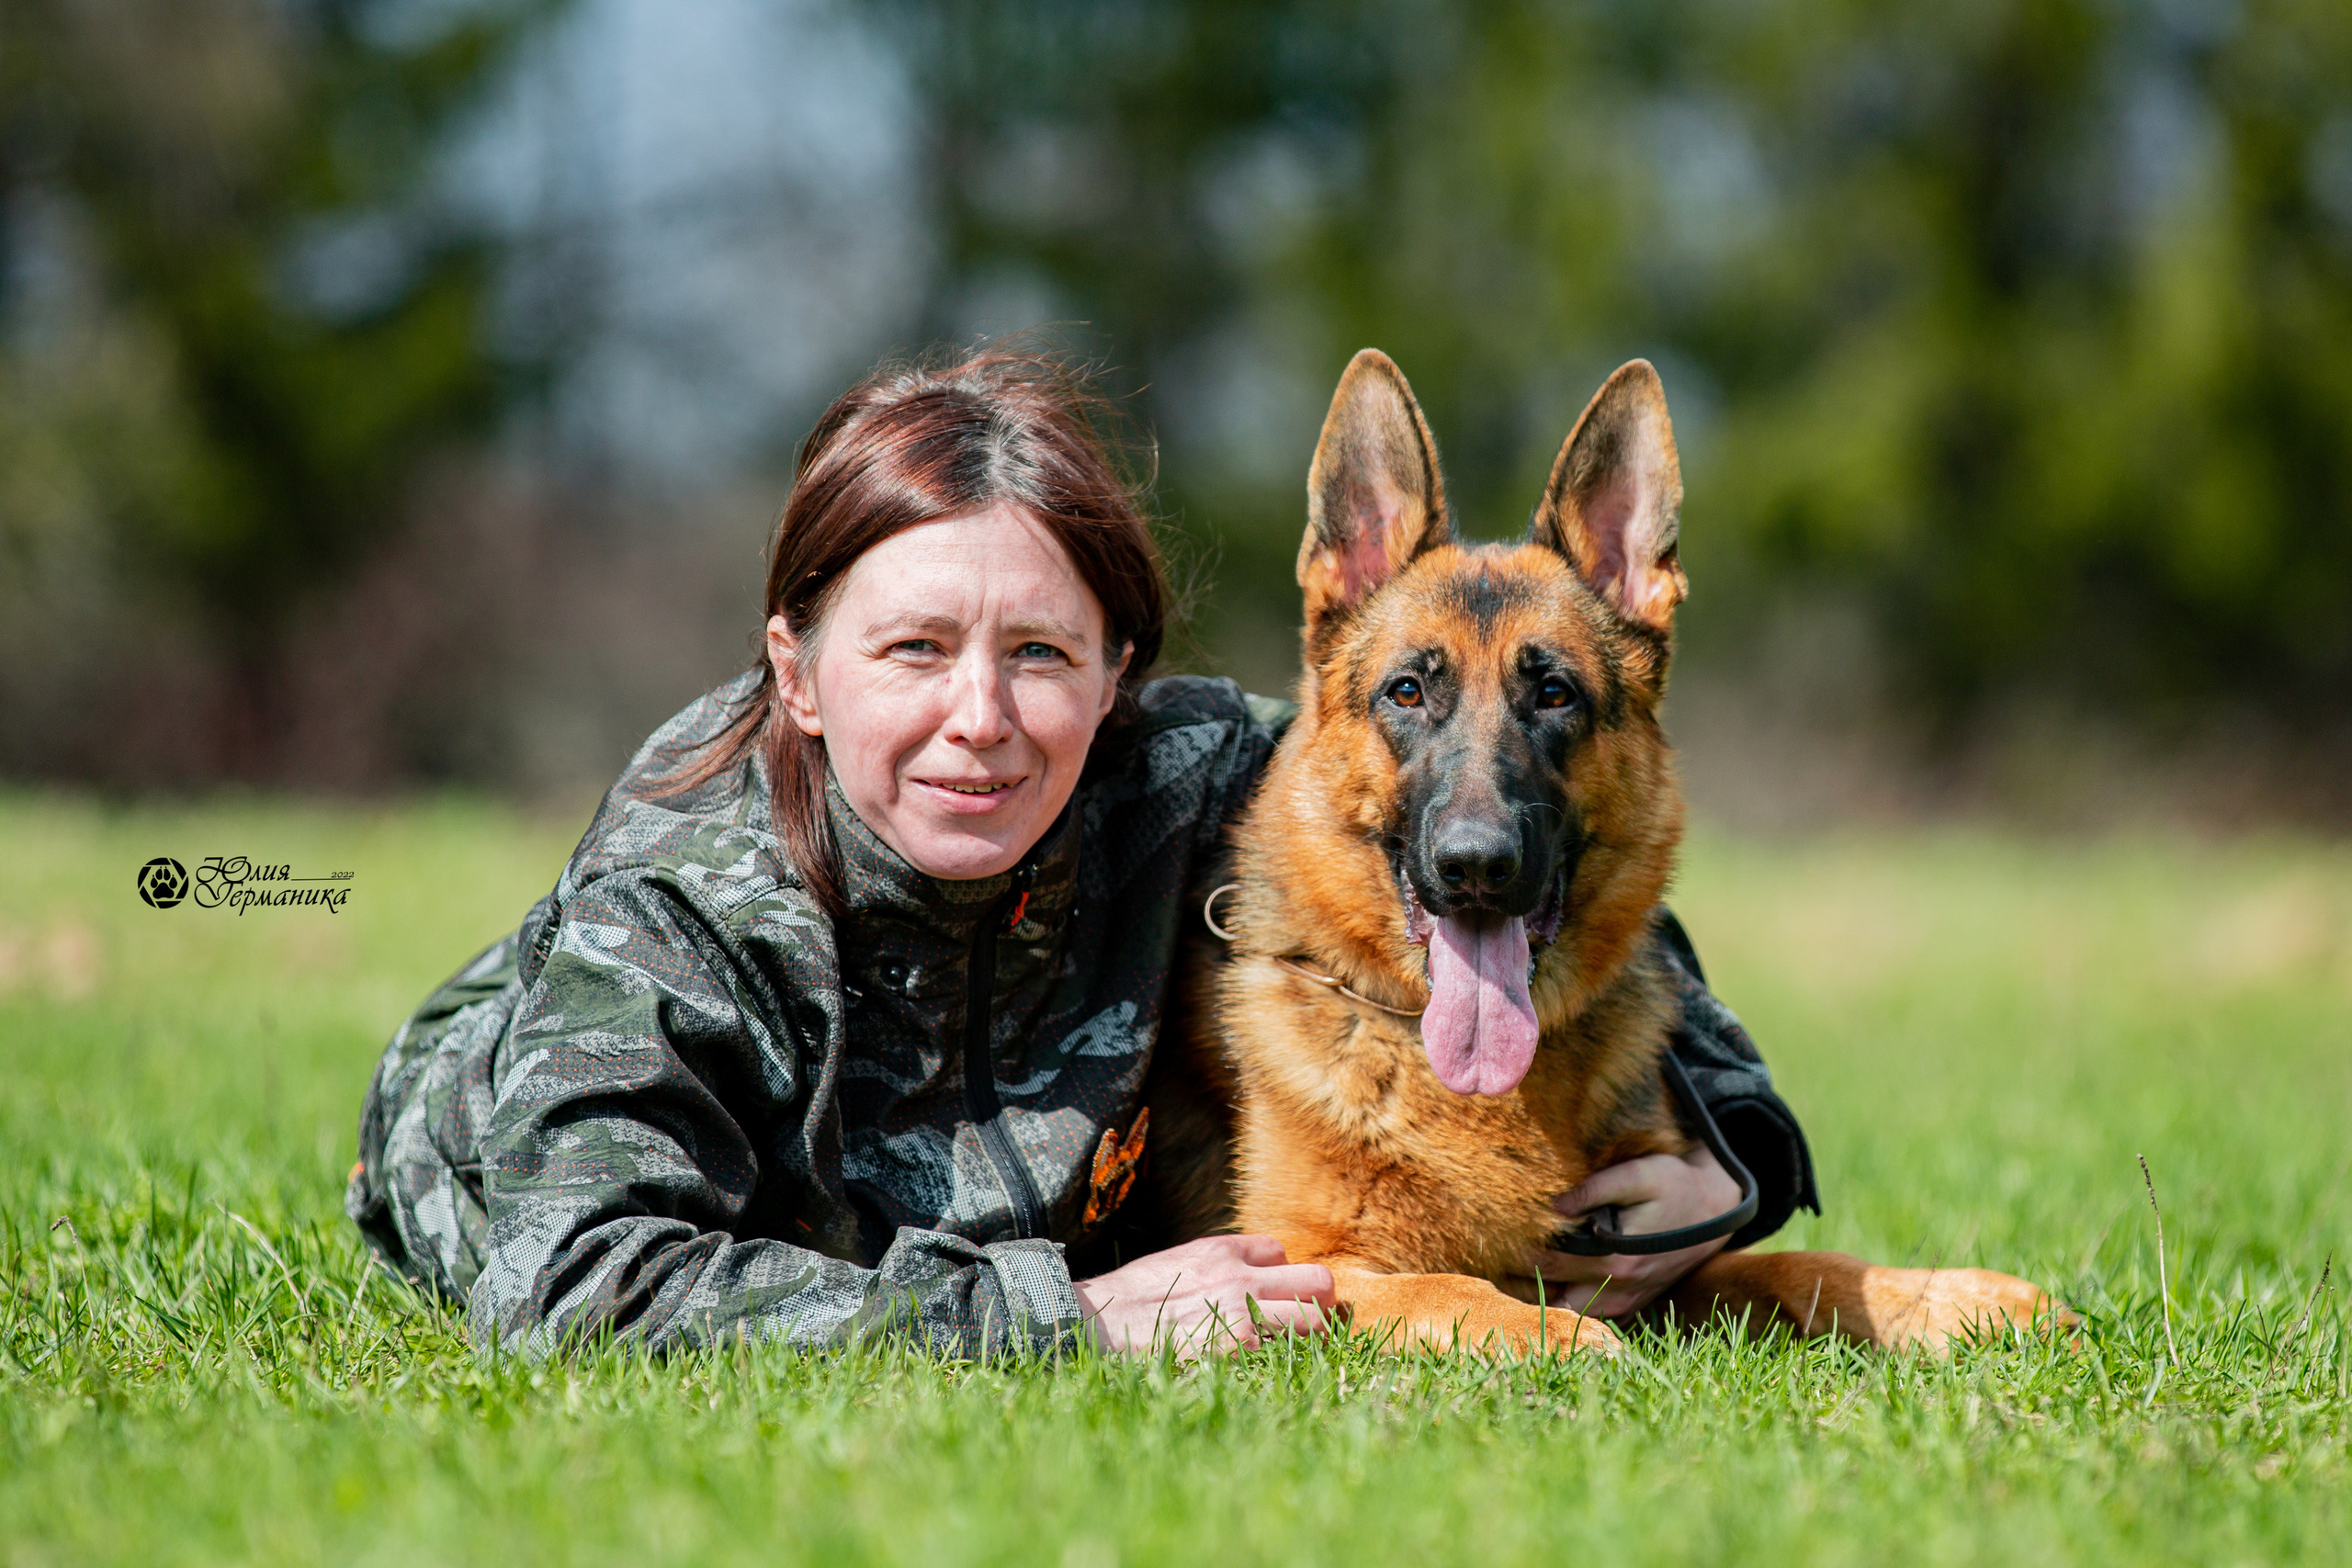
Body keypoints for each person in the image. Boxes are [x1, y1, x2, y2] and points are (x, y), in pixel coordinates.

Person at [345, 346, 1816, 1360]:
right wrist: (1071, 1322)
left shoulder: (1201, 765)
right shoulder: (681, 891)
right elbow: (577, 1286)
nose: (978, 719)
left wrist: (1733, 1149)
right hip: (496, 1123)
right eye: (914, 647)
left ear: (1115, 672)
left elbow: (1503, 853)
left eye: (1039, 651)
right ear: (797, 671)